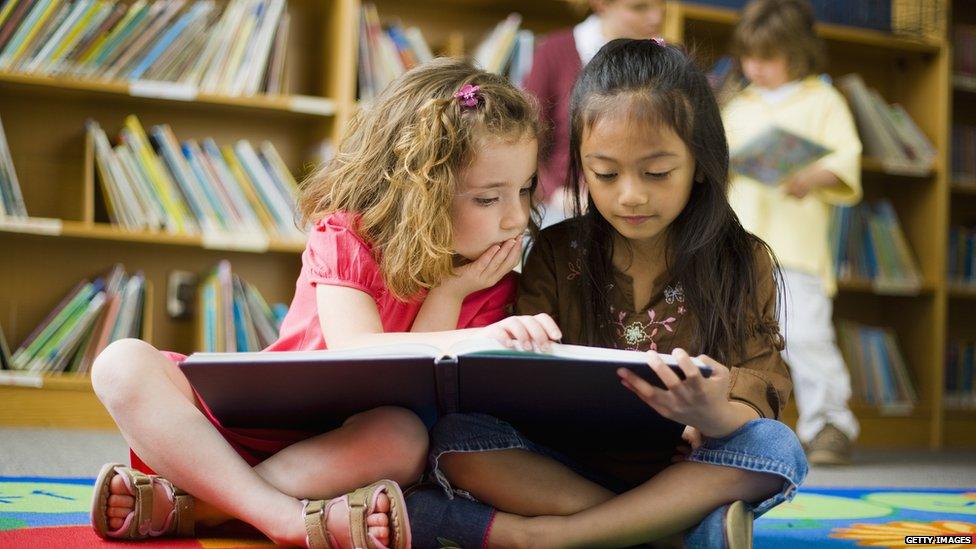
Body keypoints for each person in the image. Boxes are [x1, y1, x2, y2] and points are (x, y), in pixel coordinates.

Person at [88, 58, 559, 548]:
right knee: (119, 364)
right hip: (232, 429)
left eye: (524, 190)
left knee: (404, 438)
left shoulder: (492, 283)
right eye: (488, 199)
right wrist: (472, 333)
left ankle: (197, 507)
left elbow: (411, 392)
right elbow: (357, 347)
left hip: (338, 451)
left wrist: (450, 291)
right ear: (419, 191)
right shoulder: (347, 236)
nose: (516, 218)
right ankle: (285, 520)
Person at [408, 39, 808, 549]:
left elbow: (762, 387)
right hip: (567, 468)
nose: (631, 194)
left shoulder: (741, 259)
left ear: (701, 163)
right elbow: (513, 383)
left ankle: (553, 538)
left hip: (689, 467)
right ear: (580, 163)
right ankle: (668, 533)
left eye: (657, 172)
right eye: (606, 173)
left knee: (778, 448)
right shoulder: (556, 250)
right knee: (457, 440)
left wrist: (711, 414)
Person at [725, 0, 864, 465]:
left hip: (797, 248)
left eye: (768, 57)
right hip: (740, 246)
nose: (755, 67)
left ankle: (828, 424)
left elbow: (846, 158)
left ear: (797, 52)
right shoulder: (736, 104)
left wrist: (813, 177)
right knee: (738, 336)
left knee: (805, 336)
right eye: (749, 56)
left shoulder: (823, 101)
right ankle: (742, 423)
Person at [523, 0, 666, 226]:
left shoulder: (667, 59)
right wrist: (553, 193)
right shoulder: (553, 51)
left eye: (662, 3)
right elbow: (524, 138)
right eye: (639, 7)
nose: (657, 17)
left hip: (638, 203)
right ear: (600, 4)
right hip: (566, 207)